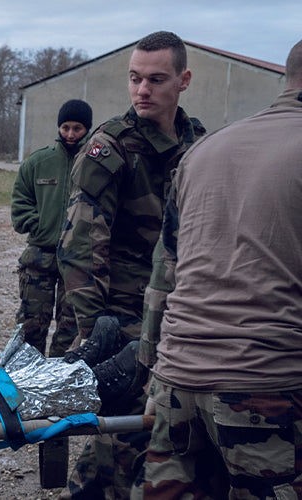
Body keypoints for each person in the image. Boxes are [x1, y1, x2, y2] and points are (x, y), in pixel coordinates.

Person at [134, 39, 302, 499]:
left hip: (177, 380)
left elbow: (163, 274)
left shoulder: (207, 149)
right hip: (264, 385)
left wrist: (153, 370)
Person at [56, 31, 206, 499]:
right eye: (135, 78)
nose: (142, 90)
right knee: (130, 424)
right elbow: (80, 242)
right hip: (122, 309)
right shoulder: (110, 147)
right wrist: (94, 325)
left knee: (158, 421)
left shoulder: (198, 144)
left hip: (181, 307)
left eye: (156, 79)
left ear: (183, 81)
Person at [10, 99, 91, 357]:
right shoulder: (38, 162)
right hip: (40, 257)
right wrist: (40, 225)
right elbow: (21, 202)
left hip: (79, 258)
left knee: (71, 325)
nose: (70, 134)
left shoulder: (96, 164)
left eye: (77, 128)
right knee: (31, 323)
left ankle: (60, 376)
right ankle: (25, 376)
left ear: (87, 128)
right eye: (65, 127)